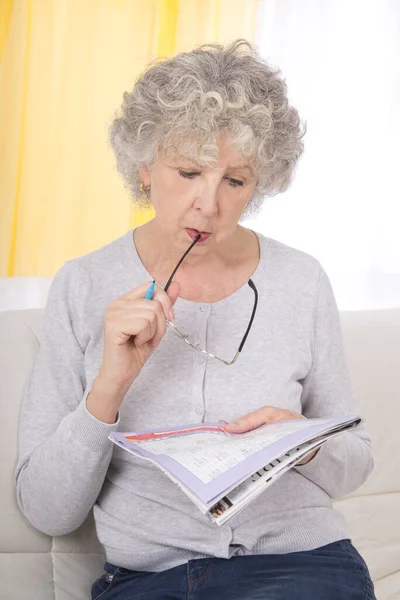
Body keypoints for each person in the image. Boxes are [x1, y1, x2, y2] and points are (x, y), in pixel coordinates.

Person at [15, 40, 377, 600]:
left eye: (235, 180)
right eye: (188, 171)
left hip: (301, 565)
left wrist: (299, 440)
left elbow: (355, 463)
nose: (209, 204)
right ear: (144, 167)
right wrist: (110, 385)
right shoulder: (84, 284)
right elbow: (47, 509)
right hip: (152, 579)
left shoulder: (301, 280)